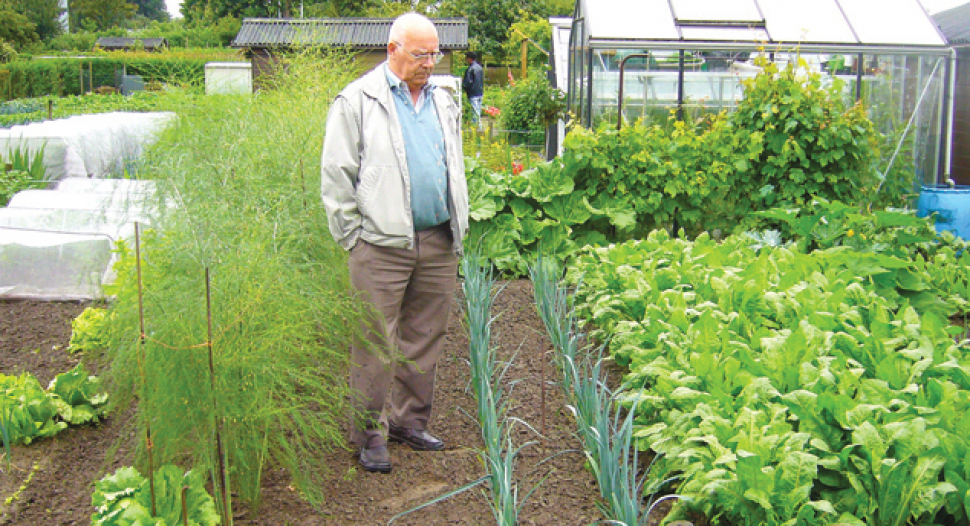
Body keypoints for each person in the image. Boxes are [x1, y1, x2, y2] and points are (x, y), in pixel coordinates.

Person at [320, 12, 469, 474]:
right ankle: (370, 433)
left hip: (437, 237)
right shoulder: (358, 100)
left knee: (425, 335)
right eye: (420, 54)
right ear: (392, 50)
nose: (430, 62)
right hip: (380, 245)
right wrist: (354, 238)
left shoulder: (444, 99)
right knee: (374, 341)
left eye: (434, 53)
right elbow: (336, 173)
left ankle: (410, 421)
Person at [462, 51, 484, 128]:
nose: (466, 60)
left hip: (473, 93)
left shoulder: (470, 69)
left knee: (475, 112)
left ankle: (478, 128)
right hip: (480, 92)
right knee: (478, 110)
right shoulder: (480, 68)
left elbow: (468, 82)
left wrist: (464, 88)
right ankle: (477, 127)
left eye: (467, 58)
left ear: (470, 59)